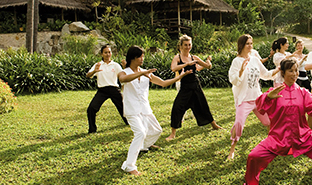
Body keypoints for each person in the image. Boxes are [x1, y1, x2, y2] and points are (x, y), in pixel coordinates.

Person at [118, 46, 192, 176]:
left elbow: (163, 83)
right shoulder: (124, 72)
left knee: (157, 130)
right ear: (133, 58)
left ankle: (143, 146)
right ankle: (129, 166)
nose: (142, 59)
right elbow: (123, 80)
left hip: (145, 108)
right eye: (140, 56)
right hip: (132, 109)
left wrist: (181, 76)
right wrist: (141, 73)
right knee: (140, 132)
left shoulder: (146, 72)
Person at [227, 34, 279, 160]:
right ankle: (232, 150)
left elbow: (265, 74)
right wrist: (241, 71)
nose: (250, 46)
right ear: (242, 45)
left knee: (268, 121)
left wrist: (278, 69)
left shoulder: (255, 59)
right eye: (248, 44)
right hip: (244, 99)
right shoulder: (236, 61)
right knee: (239, 123)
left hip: (257, 98)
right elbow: (233, 80)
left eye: (251, 43)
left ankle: (271, 146)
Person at [166, 35, 223, 141]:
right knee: (177, 107)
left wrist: (209, 61)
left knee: (203, 105)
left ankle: (214, 125)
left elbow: (207, 66)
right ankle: (173, 133)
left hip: (195, 85)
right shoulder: (177, 57)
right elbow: (173, 68)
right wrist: (186, 64)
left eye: (189, 45)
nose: (188, 47)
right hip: (185, 87)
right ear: (181, 46)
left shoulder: (194, 57)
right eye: (185, 45)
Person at [85, 45, 128, 134]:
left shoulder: (115, 65)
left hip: (114, 89)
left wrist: (125, 68)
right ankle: (92, 130)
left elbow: (123, 77)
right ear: (101, 54)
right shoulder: (98, 65)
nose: (108, 54)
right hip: (102, 90)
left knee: (124, 107)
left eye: (109, 52)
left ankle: (129, 122)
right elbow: (88, 75)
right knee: (91, 109)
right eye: (105, 52)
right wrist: (94, 71)